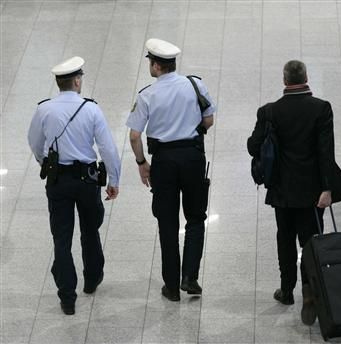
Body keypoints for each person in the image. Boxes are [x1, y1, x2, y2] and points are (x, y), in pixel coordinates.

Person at [247, 60, 341, 326]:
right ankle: (310, 294)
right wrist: (326, 188)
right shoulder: (321, 109)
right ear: (306, 77)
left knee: (285, 239)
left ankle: (286, 290)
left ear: (284, 80)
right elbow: (326, 152)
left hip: (282, 191)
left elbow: (253, 147)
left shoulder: (269, 112)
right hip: (312, 193)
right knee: (310, 242)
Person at [28, 56, 121, 315]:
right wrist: (113, 179)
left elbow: (34, 142)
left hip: (58, 181)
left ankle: (67, 297)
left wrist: (45, 163)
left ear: (59, 83)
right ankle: (92, 279)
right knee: (90, 230)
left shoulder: (44, 109)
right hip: (87, 181)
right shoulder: (91, 109)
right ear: (77, 81)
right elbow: (107, 148)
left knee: (61, 238)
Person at [126, 38, 215, 302]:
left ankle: (172, 286)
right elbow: (208, 119)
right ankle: (190, 276)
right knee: (196, 217)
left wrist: (142, 164)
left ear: (155, 66)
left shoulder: (147, 95)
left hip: (164, 161)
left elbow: (134, 136)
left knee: (167, 222)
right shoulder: (195, 84)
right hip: (192, 157)